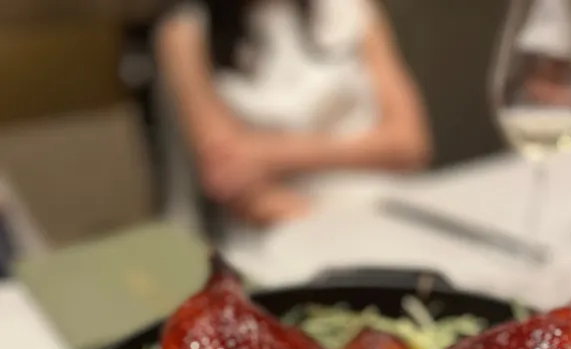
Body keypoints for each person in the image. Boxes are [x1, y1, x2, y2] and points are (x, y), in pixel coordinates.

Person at [155, 0, 433, 243]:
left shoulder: (348, 7)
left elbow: (410, 144)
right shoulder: (185, 32)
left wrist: (265, 154)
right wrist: (335, 230)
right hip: (286, 232)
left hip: (391, 210)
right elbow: (232, 182)